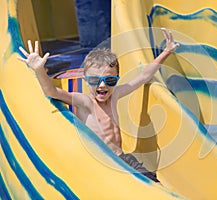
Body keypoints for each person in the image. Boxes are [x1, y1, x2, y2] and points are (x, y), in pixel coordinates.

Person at [18, 28, 179, 183]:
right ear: (86, 80)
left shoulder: (115, 95)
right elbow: (52, 92)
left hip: (122, 159)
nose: (102, 86)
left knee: (154, 185)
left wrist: (167, 51)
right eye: (95, 80)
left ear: (117, 79)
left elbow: (144, 76)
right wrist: (39, 70)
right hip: (101, 164)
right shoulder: (85, 102)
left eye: (109, 81)